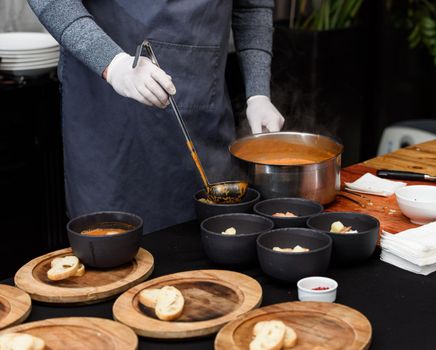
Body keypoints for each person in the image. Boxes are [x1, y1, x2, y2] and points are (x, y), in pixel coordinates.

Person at [28, 0, 285, 233]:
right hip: (109, 120)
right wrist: (112, 63)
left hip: (203, 114)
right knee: (113, 259)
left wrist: (258, 92)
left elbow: (252, 6)